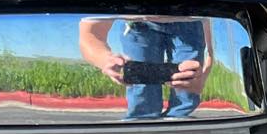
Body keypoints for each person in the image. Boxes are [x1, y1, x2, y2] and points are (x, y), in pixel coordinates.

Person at [78, 17, 212, 118]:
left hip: (190, 19)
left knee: (187, 87)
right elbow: (90, 34)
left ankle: (181, 127)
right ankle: (141, 131)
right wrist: (106, 60)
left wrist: (207, 69)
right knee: (142, 91)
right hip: (137, 21)